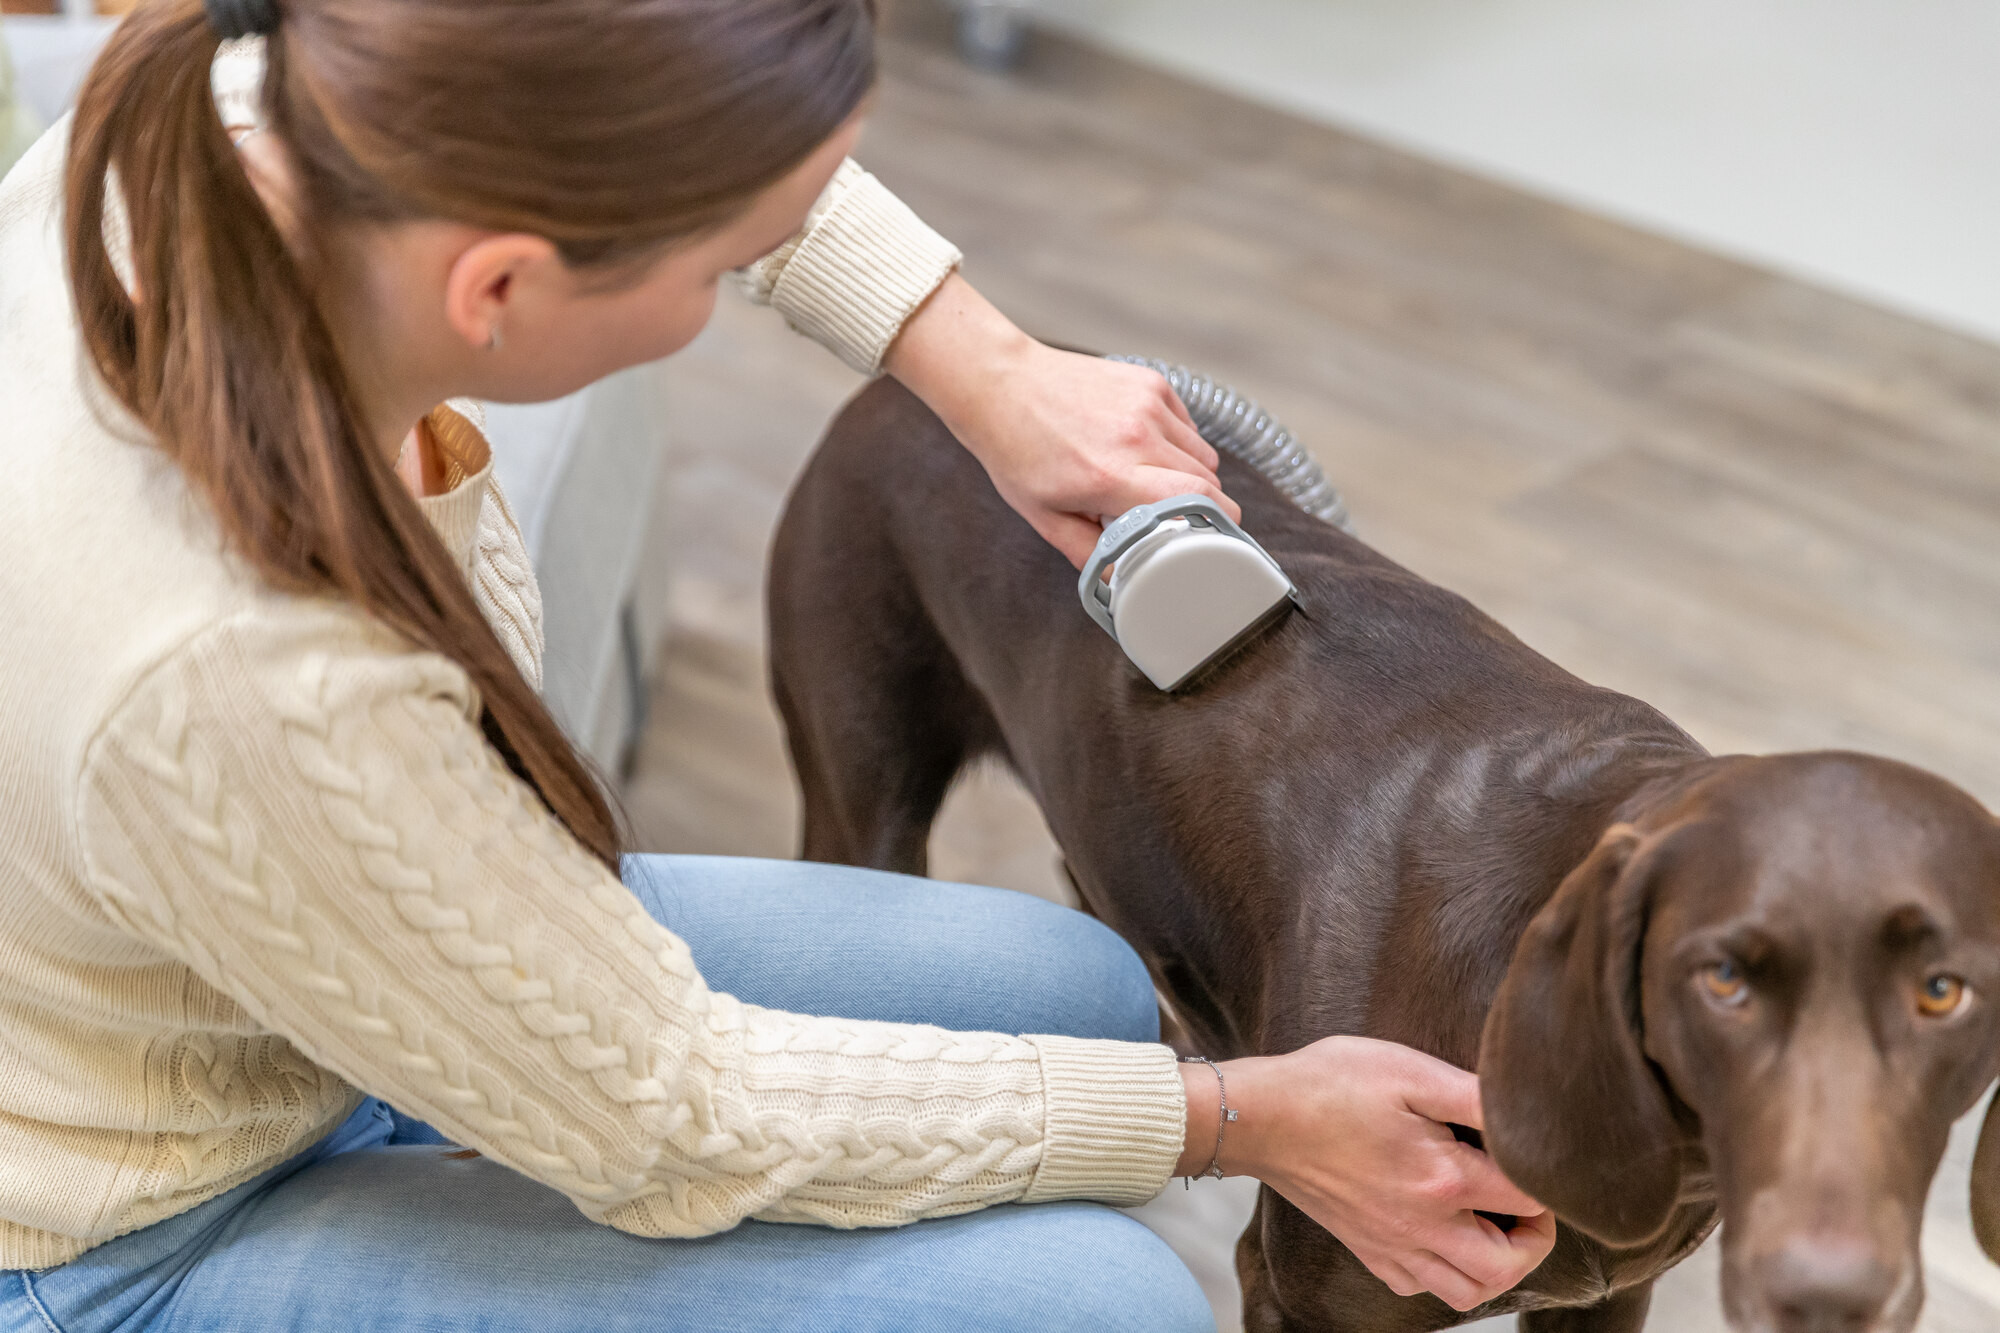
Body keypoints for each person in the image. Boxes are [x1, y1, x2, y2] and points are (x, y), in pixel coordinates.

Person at [0, 0, 1556, 1328]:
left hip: (282, 982)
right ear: (500, 286)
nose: (742, 280)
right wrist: (1239, 1120)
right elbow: (677, 1122)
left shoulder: (247, 105)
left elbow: (696, 128)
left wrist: (985, 365)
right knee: (1106, 1300)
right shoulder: (242, 674)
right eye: (720, 265)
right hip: (133, 1220)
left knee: (1074, 988)